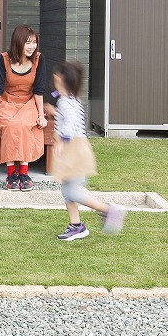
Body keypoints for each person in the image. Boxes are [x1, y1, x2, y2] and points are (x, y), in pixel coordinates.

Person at [50, 60, 125, 241]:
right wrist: (54, 112)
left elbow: (70, 123)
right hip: (77, 147)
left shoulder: (65, 102)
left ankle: (109, 210)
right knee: (67, 188)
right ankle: (76, 226)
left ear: (60, 79)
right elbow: (69, 118)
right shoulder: (71, 99)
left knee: (70, 190)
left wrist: (62, 142)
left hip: (73, 149)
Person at [0, 25, 48, 191]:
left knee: (21, 124)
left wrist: (41, 115)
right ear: (18, 42)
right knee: (9, 125)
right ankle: (11, 173)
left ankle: (24, 173)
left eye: (34, 42)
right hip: (7, 102)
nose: (32, 46)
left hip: (28, 102)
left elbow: (39, 90)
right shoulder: (4, 59)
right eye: (28, 42)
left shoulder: (39, 59)